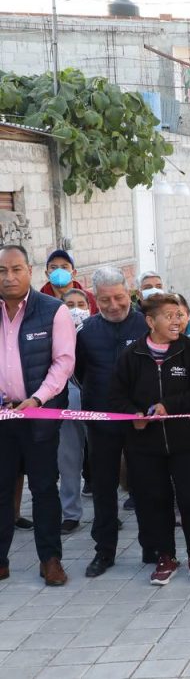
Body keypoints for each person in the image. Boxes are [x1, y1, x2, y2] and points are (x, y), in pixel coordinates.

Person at [108, 293, 190, 585]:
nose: (176, 321)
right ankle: (165, 556)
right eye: (169, 315)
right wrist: (134, 414)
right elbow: (115, 396)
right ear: (150, 321)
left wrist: (172, 405)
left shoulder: (189, 351)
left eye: (179, 315)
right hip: (144, 444)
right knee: (157, 500)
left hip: (187, 440)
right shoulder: (132, 356)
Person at [0, 244, 75, 585]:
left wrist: (38, 399)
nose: (9, 276)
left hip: (39, 415)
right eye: (2, 271)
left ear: (29, 270)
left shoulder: (52, 310)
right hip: (2, 418)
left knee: (44, 488)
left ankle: (50, 560)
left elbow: (63, 362)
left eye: (16, 269)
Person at [76, 267, 150, 577]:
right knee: (103, 487)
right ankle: (104, 551)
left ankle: (153, 546)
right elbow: (78, 373)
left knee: (147, 485)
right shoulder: (87, 331)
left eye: (119, 297)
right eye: (105, 300)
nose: (114, 305)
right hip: (102, 422)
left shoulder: (146, 323)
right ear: (96, 299)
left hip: (141, 423)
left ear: (129, 291)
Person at [56, 289, 92, 535]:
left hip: (94, 403)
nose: (76, 309)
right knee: (67, 459)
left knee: (100, 460)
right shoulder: (53, 332)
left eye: (81, 303)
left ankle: (106, 511)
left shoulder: (94, 332)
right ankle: (70, 513)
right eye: (70, 304)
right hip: (64, 402)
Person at [41, 249, 98, 314]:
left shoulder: (90, 298)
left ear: (73, 273)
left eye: (64, 267)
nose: (59, 271)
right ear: (47, 274)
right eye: (53, 267)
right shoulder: (39, 302)